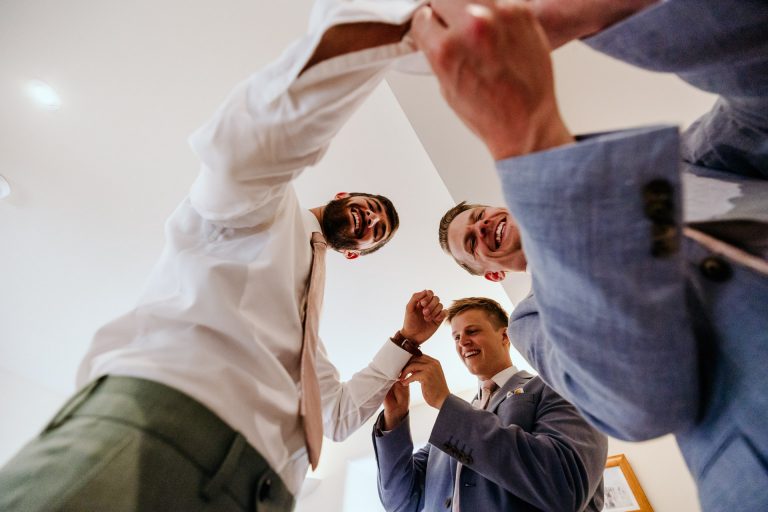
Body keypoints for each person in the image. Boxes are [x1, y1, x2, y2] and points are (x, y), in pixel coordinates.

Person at [0, 1, 434, 510]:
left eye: (376, 232)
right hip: (160, 429)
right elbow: (242, 153)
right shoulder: (269, 202)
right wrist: (385, 34)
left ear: (357, 254)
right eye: (369, 208)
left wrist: (405, 340)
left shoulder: (304, 326)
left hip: (263, 489)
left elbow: (336, 418)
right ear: (342, 198)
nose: (369, 220)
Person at [413, 1, 768, 510]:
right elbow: (642, 402)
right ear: (492, 271)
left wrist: (588, 19)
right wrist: (525, 138)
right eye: (471, 243)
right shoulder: (535, 320)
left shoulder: (685, 165)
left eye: (483, 215)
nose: (483, 228)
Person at [373, 297, 607, 512]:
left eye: (472, 331)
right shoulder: (450, 425)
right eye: (456, 337)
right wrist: (394, 418)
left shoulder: (556, 386)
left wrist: (445, 402)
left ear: (505, 336)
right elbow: (401, 503)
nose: (462, 342)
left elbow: (564, 487)